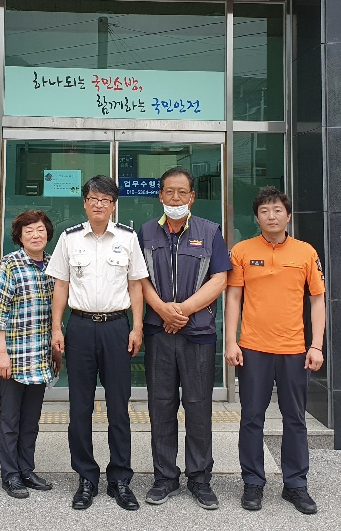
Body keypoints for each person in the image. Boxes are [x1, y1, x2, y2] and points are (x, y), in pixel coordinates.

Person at [47, 175, 146, 511]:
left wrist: (137, 327)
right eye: (94, 198)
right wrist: (57, 328)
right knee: (80, 407)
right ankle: (86, 477)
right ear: (85, 202)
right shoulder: (70, 238)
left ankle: (120, 479)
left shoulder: (128, 238)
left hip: (117, 327)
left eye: (106, 199)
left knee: (119, 406)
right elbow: (61, 285)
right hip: (81, 327)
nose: (99, 204)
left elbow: (136, 285)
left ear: (113, 205)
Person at [224, 186, 326, 515]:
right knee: (251, 417)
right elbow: (234, 297)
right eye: (265, 211)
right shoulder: (242, 251)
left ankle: (295, 485)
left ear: (288, 216)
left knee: (295, 418)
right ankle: (253, 483)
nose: (271, 216)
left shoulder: (305, 252)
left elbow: (317, 299)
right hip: (253, 349)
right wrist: (231, 341)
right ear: (256, 217)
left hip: (294, 350)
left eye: (277, 210)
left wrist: (316, 345)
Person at [138, 167, 230, 510]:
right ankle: (165, 477)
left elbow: (220, 279)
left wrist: (184, 311)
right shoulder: (146, 232)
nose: (175, 198)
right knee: (160, 406)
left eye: (182, 192)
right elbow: (139, 278)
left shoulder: (210, 231)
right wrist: (163, 310)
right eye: (169, 191)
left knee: (198, 406)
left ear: (192, 197)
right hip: (159, 331)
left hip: (198, 334)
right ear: (160, 195)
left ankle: (200, 479)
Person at [0, 210, 59, 499]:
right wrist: (0, 353)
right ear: (19, 236)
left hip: (40, 357)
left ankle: (26, 469)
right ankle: (10, 474)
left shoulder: (53, 265)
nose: (35, 235)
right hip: (14, 357)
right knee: (10, 420)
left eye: (40, 230)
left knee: (31, 419)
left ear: (48, 233)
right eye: (28, 231)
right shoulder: (9, 265)